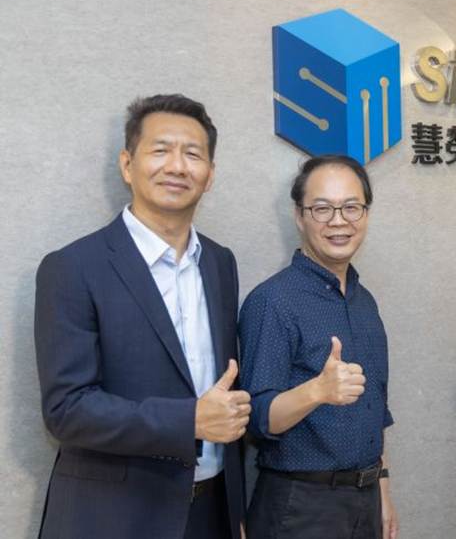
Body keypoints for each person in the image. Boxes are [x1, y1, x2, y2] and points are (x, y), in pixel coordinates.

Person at [34, 94, 250, 539]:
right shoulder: (73, 267)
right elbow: (66, 409)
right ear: (127, 165)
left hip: (211, 513)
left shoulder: (219, 262)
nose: (177, 166)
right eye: (160, 150)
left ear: (210, 175)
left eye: (193, 154)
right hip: (115, 518)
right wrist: (189, 420)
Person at [239, 154, 398, 539]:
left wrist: (383, 488)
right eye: (322, 208)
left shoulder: (364, 302)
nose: (339, 221)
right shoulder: (273, 301)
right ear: (299, 215)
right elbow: (257, 418)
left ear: (366, 213)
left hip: (365, 499)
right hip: (300, 505)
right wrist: (317, 391)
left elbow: (375, 407)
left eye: (351, 207)